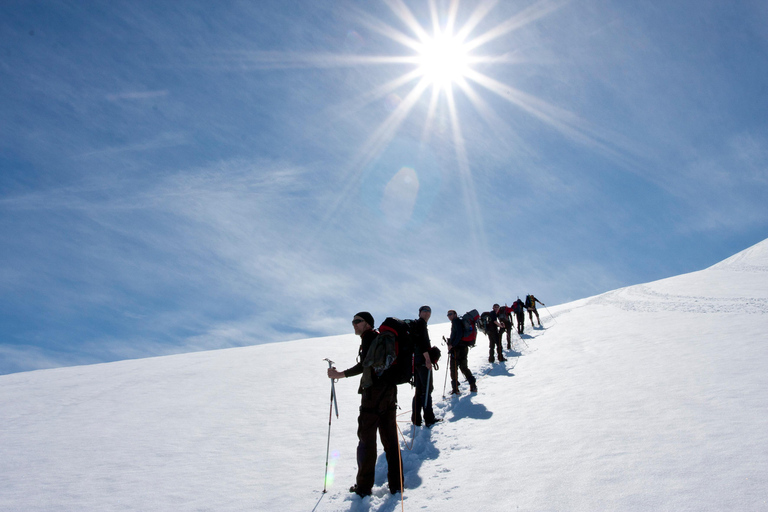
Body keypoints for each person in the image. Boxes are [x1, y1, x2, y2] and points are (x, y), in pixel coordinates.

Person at [327, 312, 401, 498]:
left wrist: (339, 374)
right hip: (389, 393)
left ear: (367, 324)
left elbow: (363, 365)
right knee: (390, 440)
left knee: (367, 441)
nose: (354, 324)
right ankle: (397, 484)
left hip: (373, 395)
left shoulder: (369, 337)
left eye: (357, 321)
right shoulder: (381, 339)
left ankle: (363, 488)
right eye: (353, 321)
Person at [411, 306, 439, 427]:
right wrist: (428, 360)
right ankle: (429, 419)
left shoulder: (417, 325)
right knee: (427, 389)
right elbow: (422, 343)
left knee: (419, 390)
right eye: (425, 311)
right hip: (422, 362)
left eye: (429, 311)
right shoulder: (421, 324)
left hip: (416, 362)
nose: (427, 313)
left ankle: (416, 419)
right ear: (420, 313)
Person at [447, 310, 477, 394]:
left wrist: (452, 345)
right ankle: (473, 385)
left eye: (450, 314)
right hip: (464, 347)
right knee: (464, 367)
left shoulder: (456, 321)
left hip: (457, 349)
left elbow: (459, 334)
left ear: (455, 314)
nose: (449, 316)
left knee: (453, 367)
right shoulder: (459, 322)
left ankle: (455, 389)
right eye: (448, 315)